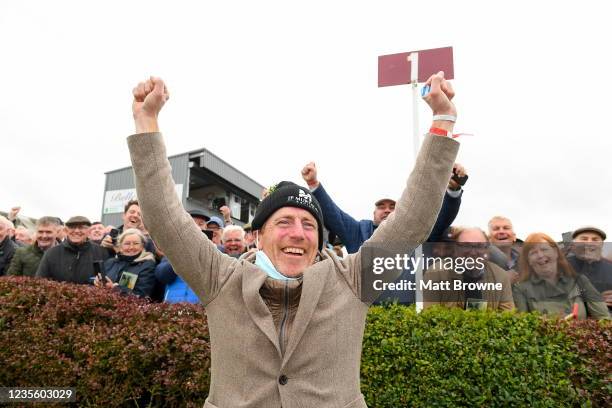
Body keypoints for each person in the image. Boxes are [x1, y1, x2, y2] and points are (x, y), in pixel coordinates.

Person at [127, 72, 458, 407]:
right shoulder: (221, 279)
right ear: (256, 235)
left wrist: (442, 121)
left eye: (309, 225)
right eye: (283, 222)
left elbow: (412, 219)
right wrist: (147, 122)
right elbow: (165, 219)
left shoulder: (353, 280)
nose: (298, 233)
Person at [300, 162, 466, 254]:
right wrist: (313, 184)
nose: (386, 210)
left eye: (392, 207)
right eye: (381, 207)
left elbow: (441, 219)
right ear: (374, 213)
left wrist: (453, 190)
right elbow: (333, 214)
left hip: (408, 312)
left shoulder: (415, 233)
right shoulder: (358, 232)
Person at [512, 232, 609, 320]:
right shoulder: (521, 289)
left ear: (555, 252)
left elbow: (604, 318)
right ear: (528, 260)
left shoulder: (580, 281)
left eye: (544, 249)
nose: (540, 255)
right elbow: (522, 326)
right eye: (533, 252)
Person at [423, 227, 514, 311]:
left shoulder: (501, 276)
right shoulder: (436, 273)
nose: (473, 252)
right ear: (455, 249)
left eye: (479, 246)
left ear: (487, 249)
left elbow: (507, 318)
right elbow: (429, 315)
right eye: (466, 246)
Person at [35, 216, 108, 284]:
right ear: (66, 231)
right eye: (72, 227)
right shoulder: (51, 253)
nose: (76, 231)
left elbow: (107, 282)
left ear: (88, 231)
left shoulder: (101, 252)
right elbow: (40, 282)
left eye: (81, 227)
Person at [94, 228, 157, 299]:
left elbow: (141, 295)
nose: (131, 247)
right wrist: (96, 282)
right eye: (127, 244)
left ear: (142, 246)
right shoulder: (110, 262)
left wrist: (114, 288)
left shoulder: (147, 265)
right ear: (120, 246)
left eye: (136, 243)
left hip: (131, 309)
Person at [567, 226, 612, 310]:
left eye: (595, 240)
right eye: (584, 239)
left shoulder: (610, 267)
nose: (589, 243)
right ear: (574, 244)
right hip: (567, 319)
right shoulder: (560, 267)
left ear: (601, 244)